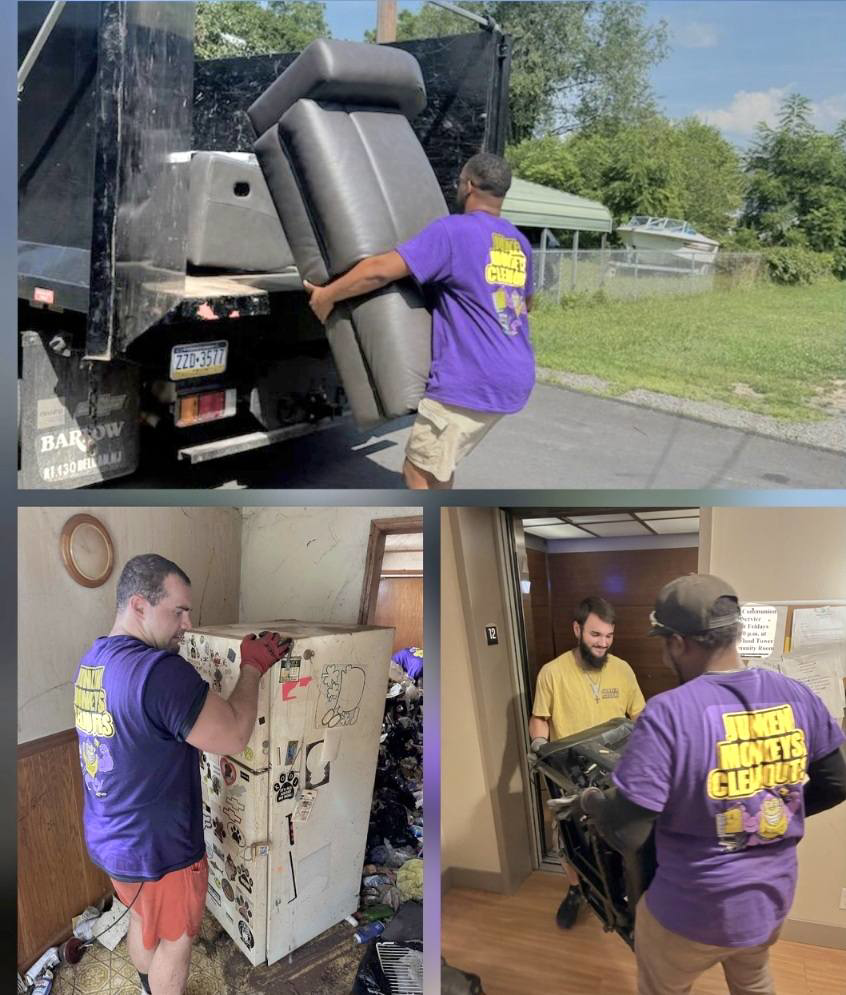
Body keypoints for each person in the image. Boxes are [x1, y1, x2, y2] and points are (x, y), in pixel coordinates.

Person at [581, 574, 846, 995]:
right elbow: (836, 782)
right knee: (754, 979)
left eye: (664, 642)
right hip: (768, 902)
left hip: (690, 910)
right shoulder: (798, 695)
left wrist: (595, 803)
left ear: (678, 643)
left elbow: (629, 829)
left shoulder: (667, 714)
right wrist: (764, 813)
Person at [73, 554, 291, 995]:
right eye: (178, 611)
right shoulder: (159, 672)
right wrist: (252, 668)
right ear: (139, 605)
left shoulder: (94, 660)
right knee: (176, 942)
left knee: (142, 917)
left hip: (112, 839)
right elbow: (232, 735)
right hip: (163, 852)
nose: (188, 624)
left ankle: (144, 984)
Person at [303, 152, 535, 490]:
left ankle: (437, 540)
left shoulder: (454, 231)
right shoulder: (519, 242)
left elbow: (379, 270)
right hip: (516, 373)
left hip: (471, 381)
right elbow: (526, 304)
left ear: (468, 186)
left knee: (418, 473)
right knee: (439, 465)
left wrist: (327, 296)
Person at [528, 596, 645, 928]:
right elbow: (540, 718)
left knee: (617, 840)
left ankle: (619, 898)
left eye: (608, 636)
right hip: (572, 777)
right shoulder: (552, 673)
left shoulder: (622, 670)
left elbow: (640, 714)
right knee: (569, 842)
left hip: (614, 774)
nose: (603, 643)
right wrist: (540, 744)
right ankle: (576, 889)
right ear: (577, 629)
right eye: (596, 635)